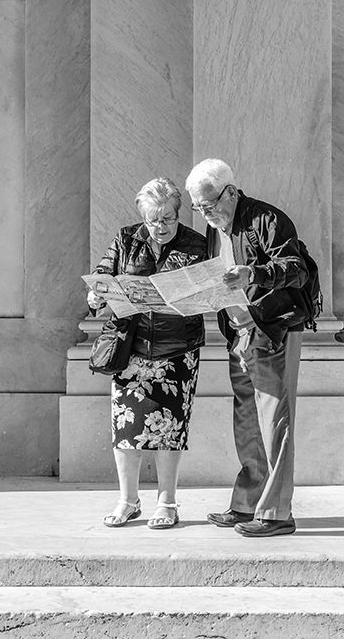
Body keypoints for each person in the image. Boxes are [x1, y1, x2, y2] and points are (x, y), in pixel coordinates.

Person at [184, 158, 310, 538]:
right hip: (238, 332)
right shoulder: (214, 229)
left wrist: (253, 273)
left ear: (232, 191)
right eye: (199, 209)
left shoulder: (266, 220)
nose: (207, 215)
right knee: (246, 420)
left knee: (275, 421)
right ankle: (246, 504)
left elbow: (296, 267)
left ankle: (276, 513)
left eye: (210, 205)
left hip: (271, 328)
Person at [88, 177, 207, 530]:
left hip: (177, 349)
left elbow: (205, 290)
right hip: (132, 347)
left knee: (170, 429)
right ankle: (128, 500)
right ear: (143, 217)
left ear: (178, 213)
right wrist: (96, 294)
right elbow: (102, 274)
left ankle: (167, 502)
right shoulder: (127, 239)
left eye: (168, 218)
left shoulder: (196, 244)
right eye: (153, 220)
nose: (160, 227)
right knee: (126, 427)